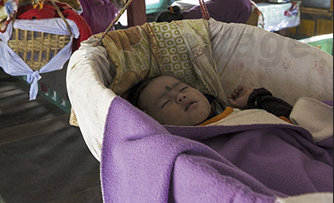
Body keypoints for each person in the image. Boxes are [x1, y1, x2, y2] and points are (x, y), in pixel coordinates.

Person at [126, 74, 294, 126]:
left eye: (183, 88)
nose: (180, 96)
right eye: (164, 102)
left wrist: (256, 99)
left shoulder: (239, 115)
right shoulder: (184, 148)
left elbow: (290, 122)